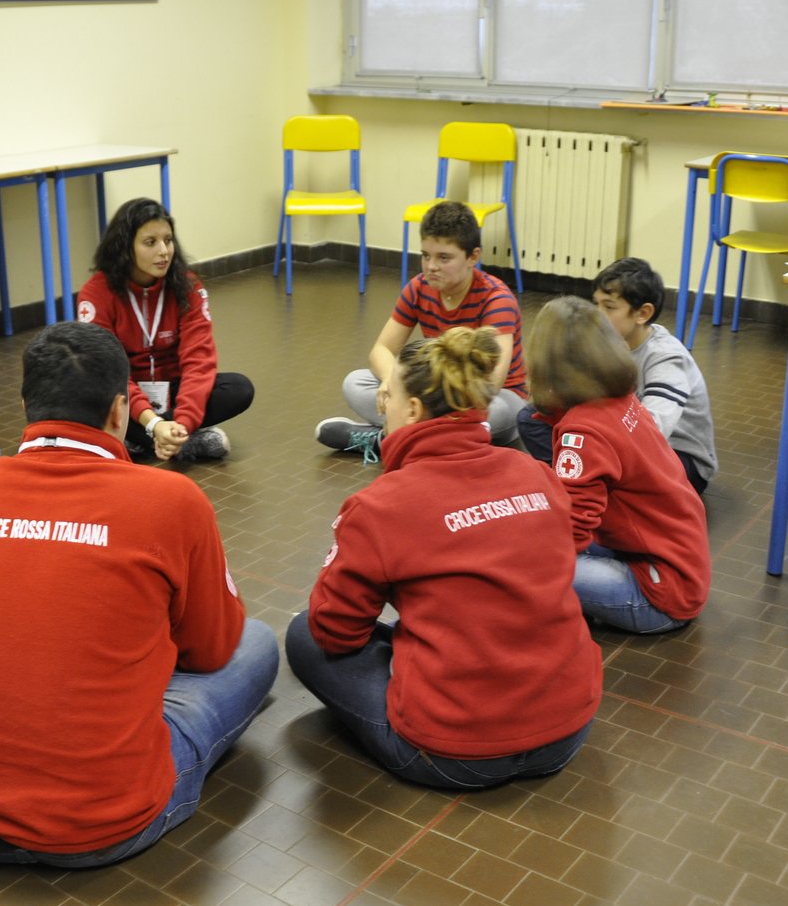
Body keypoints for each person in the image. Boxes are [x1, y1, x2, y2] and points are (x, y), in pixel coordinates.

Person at [0, 322, 278, 867]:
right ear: (120, 411)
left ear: (27, 403)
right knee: (257, 642)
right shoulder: (174, 500)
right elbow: (209, 651)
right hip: (101, 824)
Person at [287, 327, 600, 789]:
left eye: (386, 396)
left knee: (303, 635)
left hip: (458, 755)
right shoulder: (536, 473)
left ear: (412, 409)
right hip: (569, 730)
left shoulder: (379, 506)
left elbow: (335, 632)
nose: (381, 406)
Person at [525, 296, 711, 634]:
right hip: (681, 567)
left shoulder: (582, 431)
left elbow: (573, 529)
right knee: (531, 530)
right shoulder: (620, 399)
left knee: (524, 565)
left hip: (659, 596)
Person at [316, 201, 526, 459]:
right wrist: (391, 380)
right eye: (426, 256)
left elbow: (491, 383)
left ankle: (385, 439)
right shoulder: (418, 287)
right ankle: (431, 439)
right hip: (435, 391)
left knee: (497, 414)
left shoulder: (497, 299)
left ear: (473, 257)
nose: (431, 266)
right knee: (355, 382)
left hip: (490, 398)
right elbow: (381, 350)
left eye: (444, 258)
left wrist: (415, 401)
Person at [517, 258, 717, 493]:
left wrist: (598, 440)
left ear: (643, 313)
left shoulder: (666, 357)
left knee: (596, 446)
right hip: (625, 440)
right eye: (596, 305)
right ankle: (576, 485)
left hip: (679, 458)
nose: (598, 315)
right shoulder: (604, 343)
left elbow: (653, 431)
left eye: (609, 307)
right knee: (532, 417)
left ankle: (595, 489)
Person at [76, 197, 253, 462]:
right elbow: (109, 372)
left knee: (238, 388)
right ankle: (177, 442)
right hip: (123, 392)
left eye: (168, 240)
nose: (164, 251)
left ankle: (148, 440)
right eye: (150, 242)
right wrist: (153, 423)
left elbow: (199, 361)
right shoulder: (96, 293)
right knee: (86, 394)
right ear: (125, 247)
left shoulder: (188, 286)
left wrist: (181, 422)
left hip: (171, 393)